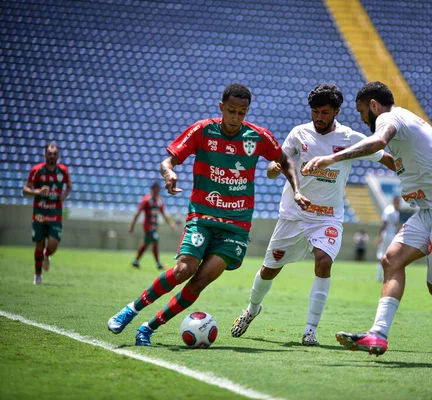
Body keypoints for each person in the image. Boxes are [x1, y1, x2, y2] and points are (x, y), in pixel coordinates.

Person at [303, 81, 432, 356]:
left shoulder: (388, 118)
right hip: (429, 210)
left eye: (362, 111)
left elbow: (378, 142)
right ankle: (378, 335)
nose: (362, 117)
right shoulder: (414, 119)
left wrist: (332, 158)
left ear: (374, 105)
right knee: (391, 260)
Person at [107, 83, 310, 346]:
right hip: (202, 217)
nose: (236, 118)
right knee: (184, 269)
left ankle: (149, 328)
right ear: (221, 107)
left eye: (242, 112)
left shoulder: (257, 136)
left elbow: (285, 161)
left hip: (236, 227)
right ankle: (130, 311)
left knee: (200, 281)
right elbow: (167, 161)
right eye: (232, 111)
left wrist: (296, 190)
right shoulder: (203, 130)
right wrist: (168, 172)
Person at [230, 84, 395, 346]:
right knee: (270, 269)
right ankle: (252, 309)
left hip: (327, 218)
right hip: (293, 215)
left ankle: (310, 330)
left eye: (325, 112)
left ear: (337, 112)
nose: (319, 117)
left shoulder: (350, 138)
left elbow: (384, 157)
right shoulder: (299, 133)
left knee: (323, 261)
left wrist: (412, 170)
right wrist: (273, 168)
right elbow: (281, 161)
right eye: (315, 112)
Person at [22, 143, 72, 285]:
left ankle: (47, 255)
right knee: (39, 244)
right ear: (45, 154)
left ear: (58, 155)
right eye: (49, 153)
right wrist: (36, 192)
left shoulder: (63, 171)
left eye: (54, 153)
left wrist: (64, 195)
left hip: (55, 212)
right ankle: (38, 275)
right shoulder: (37, 170)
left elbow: (69, 187)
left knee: (53, 244)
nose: (52, 156)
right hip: (40, 212)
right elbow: (25, 189)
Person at [129, 182, 177, 269]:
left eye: (158, 190)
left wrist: (171, 223)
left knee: (146, 243)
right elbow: (138, 212)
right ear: (152, 189)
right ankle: (158, 264)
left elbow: (163, 213)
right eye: (155, 189)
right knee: (155, 240)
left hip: (155, 226)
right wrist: (132, 225)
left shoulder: (159, 200)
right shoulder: (146, 200)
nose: (157, 191)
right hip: (148, 225)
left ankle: (136, 261)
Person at [375, 196, 401, 282]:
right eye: (397, 202)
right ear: (394, 201)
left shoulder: (396, 212)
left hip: (392, 235)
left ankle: (387, 275)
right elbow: (384, 224)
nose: (398, 204)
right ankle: (379, 275)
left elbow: (394, 226)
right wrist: (380, 236)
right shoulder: (389, 210)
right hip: (386, 235)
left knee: (390, 255)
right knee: (383, 255)